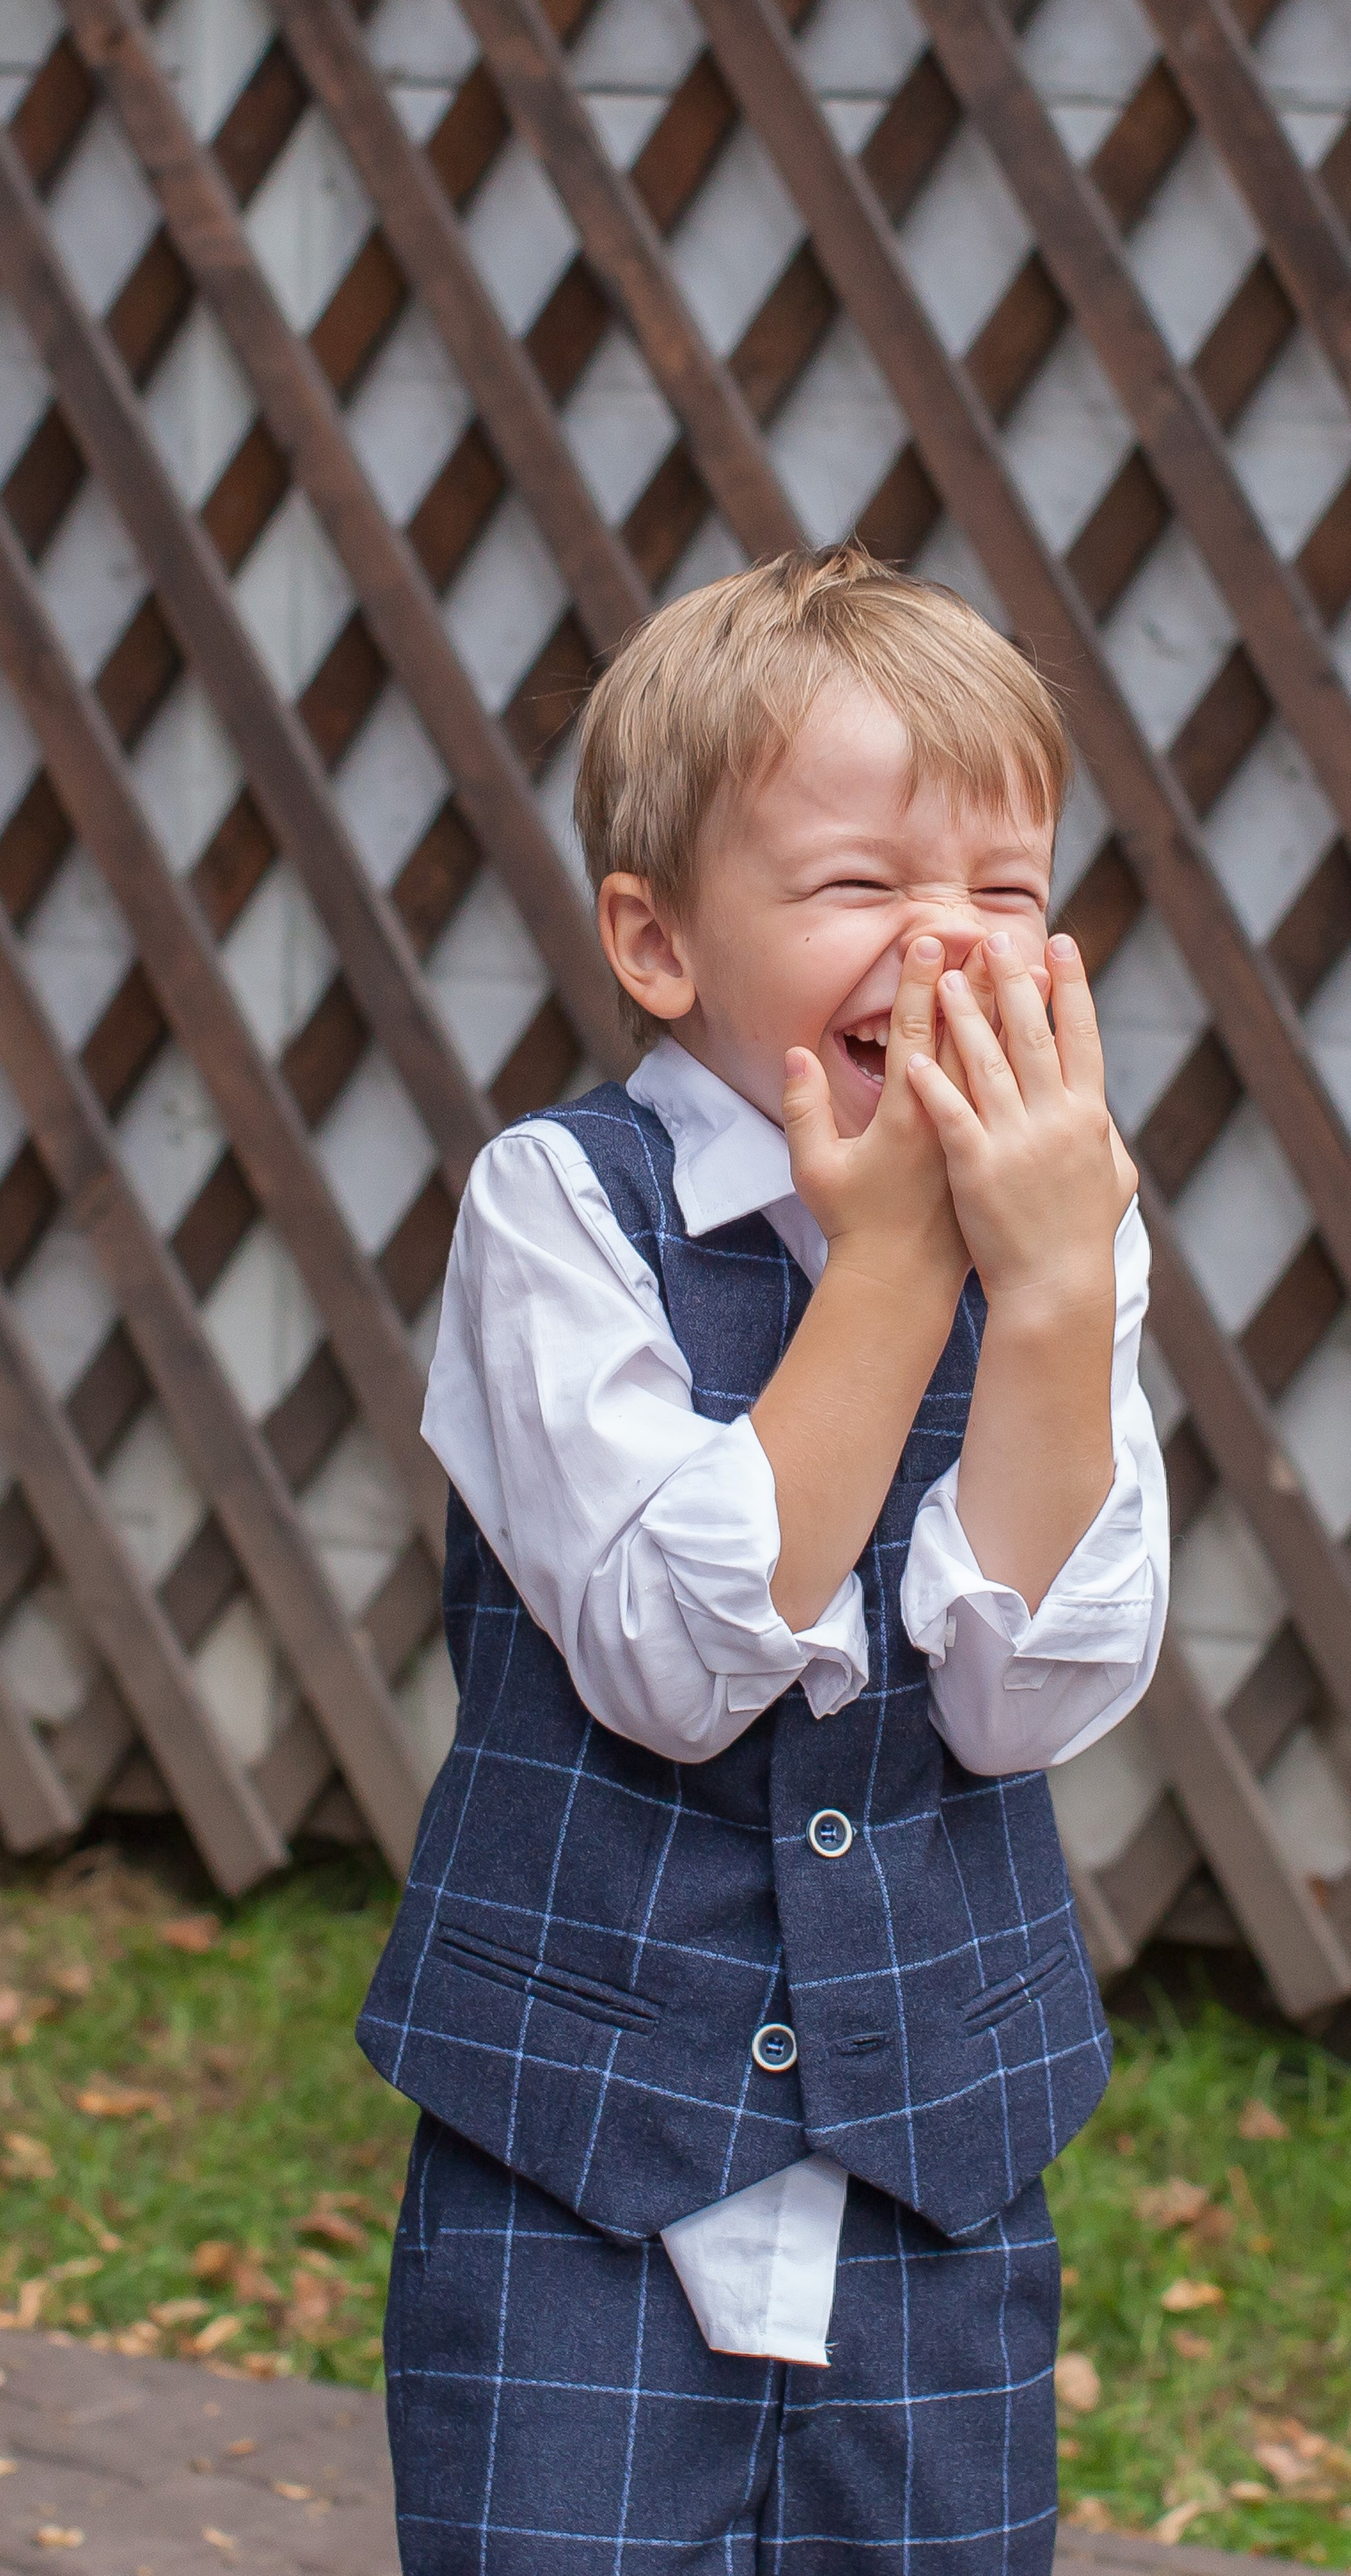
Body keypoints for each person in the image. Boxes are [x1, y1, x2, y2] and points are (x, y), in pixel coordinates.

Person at [359, 543, 1170, 2572]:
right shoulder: (560, 1210)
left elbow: (1028, 1694)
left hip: (933, 2196)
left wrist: (1056, 1305)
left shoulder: (1065, 1243)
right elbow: (674, 1654)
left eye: (1005, 888)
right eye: (862, 887)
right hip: (587, 2185)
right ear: (659, 940)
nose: (953, 948)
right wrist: (896, 1266)